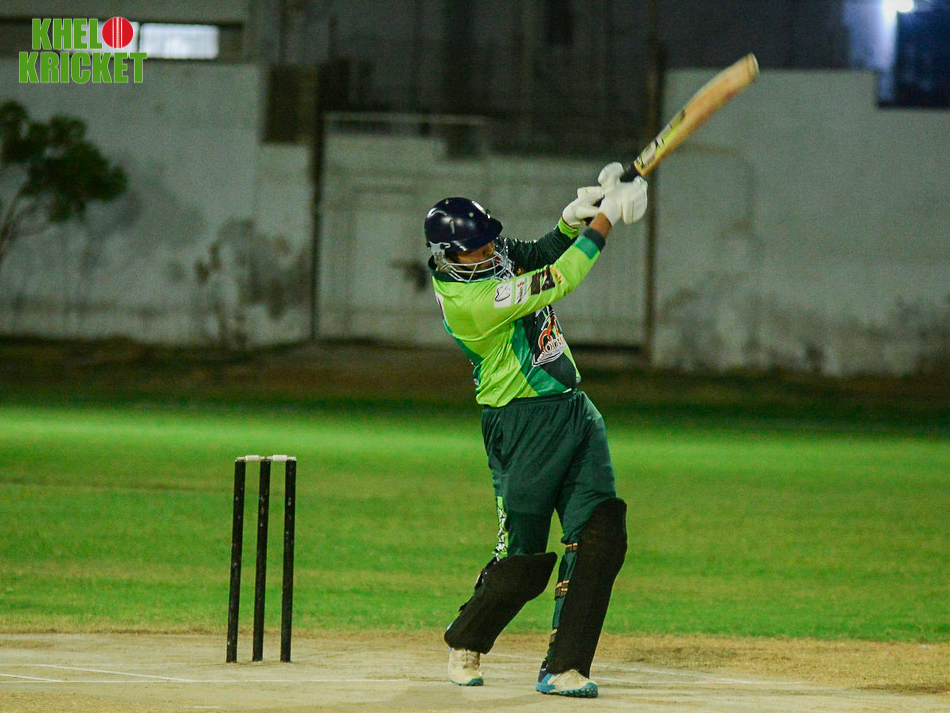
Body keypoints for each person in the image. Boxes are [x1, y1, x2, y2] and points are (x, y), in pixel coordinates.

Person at [424, 163, 648, 698]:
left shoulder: (493, 258)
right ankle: (467, 638)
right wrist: (607, 221)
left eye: (488, 243)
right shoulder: (470, 302)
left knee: (600, 536)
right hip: (520, 425)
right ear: (449, 256)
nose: (489, 253)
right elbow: (559, 278)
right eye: (475, 250)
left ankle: (564, 667)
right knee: (522, 563)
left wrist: (573, 220)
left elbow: (541, 253)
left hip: (573, 411)